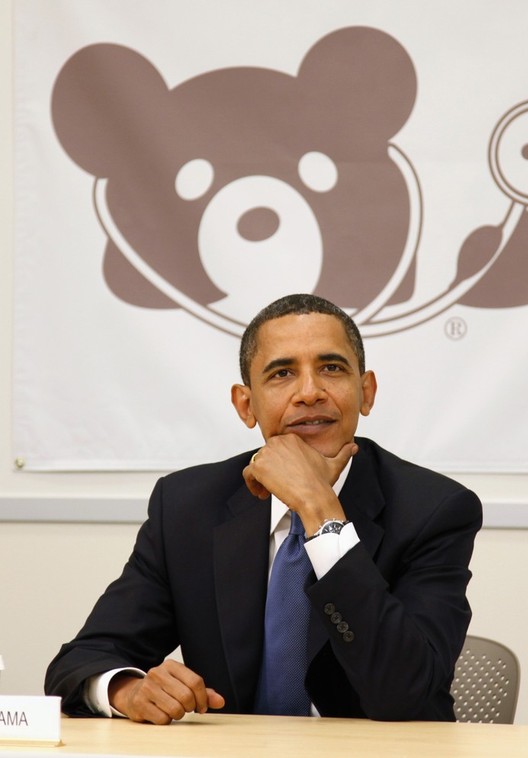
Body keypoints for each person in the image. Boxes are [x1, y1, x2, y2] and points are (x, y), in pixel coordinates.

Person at [45, 293, 482, 723]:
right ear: (245, 404)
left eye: (331, 368)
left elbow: (403, 695)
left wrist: (320, 511)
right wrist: (128, 689)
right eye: (282, 374)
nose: (309, 392)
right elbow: (81, 661)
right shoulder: (187, 506)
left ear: (365, 392)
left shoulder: (435, 511)